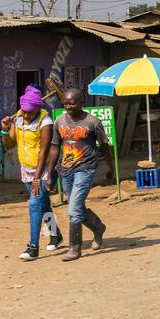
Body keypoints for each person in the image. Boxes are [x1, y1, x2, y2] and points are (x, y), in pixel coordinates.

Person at [47, 88, 115, 262]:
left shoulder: (92, 122)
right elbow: (55, 147)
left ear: (81, 103)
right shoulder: (59, 121)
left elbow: (104, 146)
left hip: (86, 169)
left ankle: (74, 248)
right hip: (66, 170)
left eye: (72, 103)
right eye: (66, 104)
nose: (68, 107)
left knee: (74, 209)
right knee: (75, 206)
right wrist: (49, 174)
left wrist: (111, 168)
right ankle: (98, 228)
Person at [0, 85, 62, 261]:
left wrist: (37, 178)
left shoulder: (46, 122)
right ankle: (55, 234)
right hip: (25, 168)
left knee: (34, 205)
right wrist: (5, 129)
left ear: (38, 109)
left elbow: (44, 151)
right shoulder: (18, 119)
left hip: (44, 169)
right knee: (42, 205)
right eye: (24, 112)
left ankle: (33, 247)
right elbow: (9, 145)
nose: (26, 116)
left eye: (29, 113)